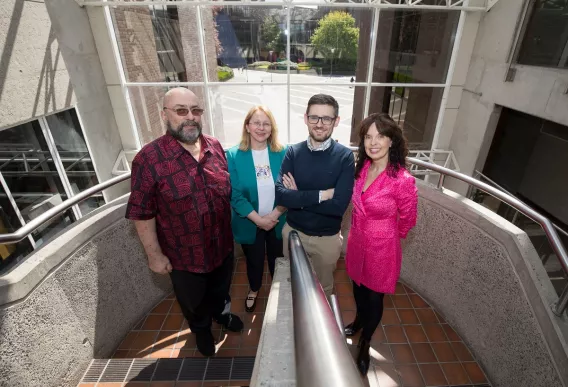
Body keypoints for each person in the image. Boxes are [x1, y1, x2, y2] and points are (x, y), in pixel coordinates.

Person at [125, 87, 243, 357]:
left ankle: (221, 316)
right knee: (193, 302)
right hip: (184, 256)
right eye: (181, 111)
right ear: (164, 115)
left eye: (195, 110)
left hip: (221, 246)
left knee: (222, 290)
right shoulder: (148, 159)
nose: (190, 117)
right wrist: (154, 256)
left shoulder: (214, 146)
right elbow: (142, 213)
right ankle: (202, 331)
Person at [343, 113, 418, 376]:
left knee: (374, 298)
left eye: (380, 136)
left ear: (391, 140)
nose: (373, 142)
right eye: (368, 137)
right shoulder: (363, 167)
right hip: (356, 241)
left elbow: (408, 219)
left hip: (381, 248)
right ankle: (358, 321)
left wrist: (384, 234)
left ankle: (365, 342)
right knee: (357, 288)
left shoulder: (402, 180)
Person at [276, 94, 355, 297]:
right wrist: (322, 195)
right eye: (314, 117)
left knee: (324, 289)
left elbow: (338, 207)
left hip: (326, 240)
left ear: (336, 121)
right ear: (306, 118)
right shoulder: (293, 152)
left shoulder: (345, 157)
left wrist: (298, 197)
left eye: (326, 118)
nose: (319, 124)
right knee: (292, 282)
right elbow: (281, 196)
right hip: (293, 233)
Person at [226, 106, 287, 313]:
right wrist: (259, 220)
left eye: (266, 123)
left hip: (278, 220)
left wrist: (274, 214)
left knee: (278, 259)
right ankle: (254, 288)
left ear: (272, 128)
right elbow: (234, 194)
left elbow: (290, 189)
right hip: (249, 222)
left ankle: (278, 292)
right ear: (247, 127)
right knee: (254, 260)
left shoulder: (283, 152)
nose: (261, 128)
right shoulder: (233, 155)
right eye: (256, 123)